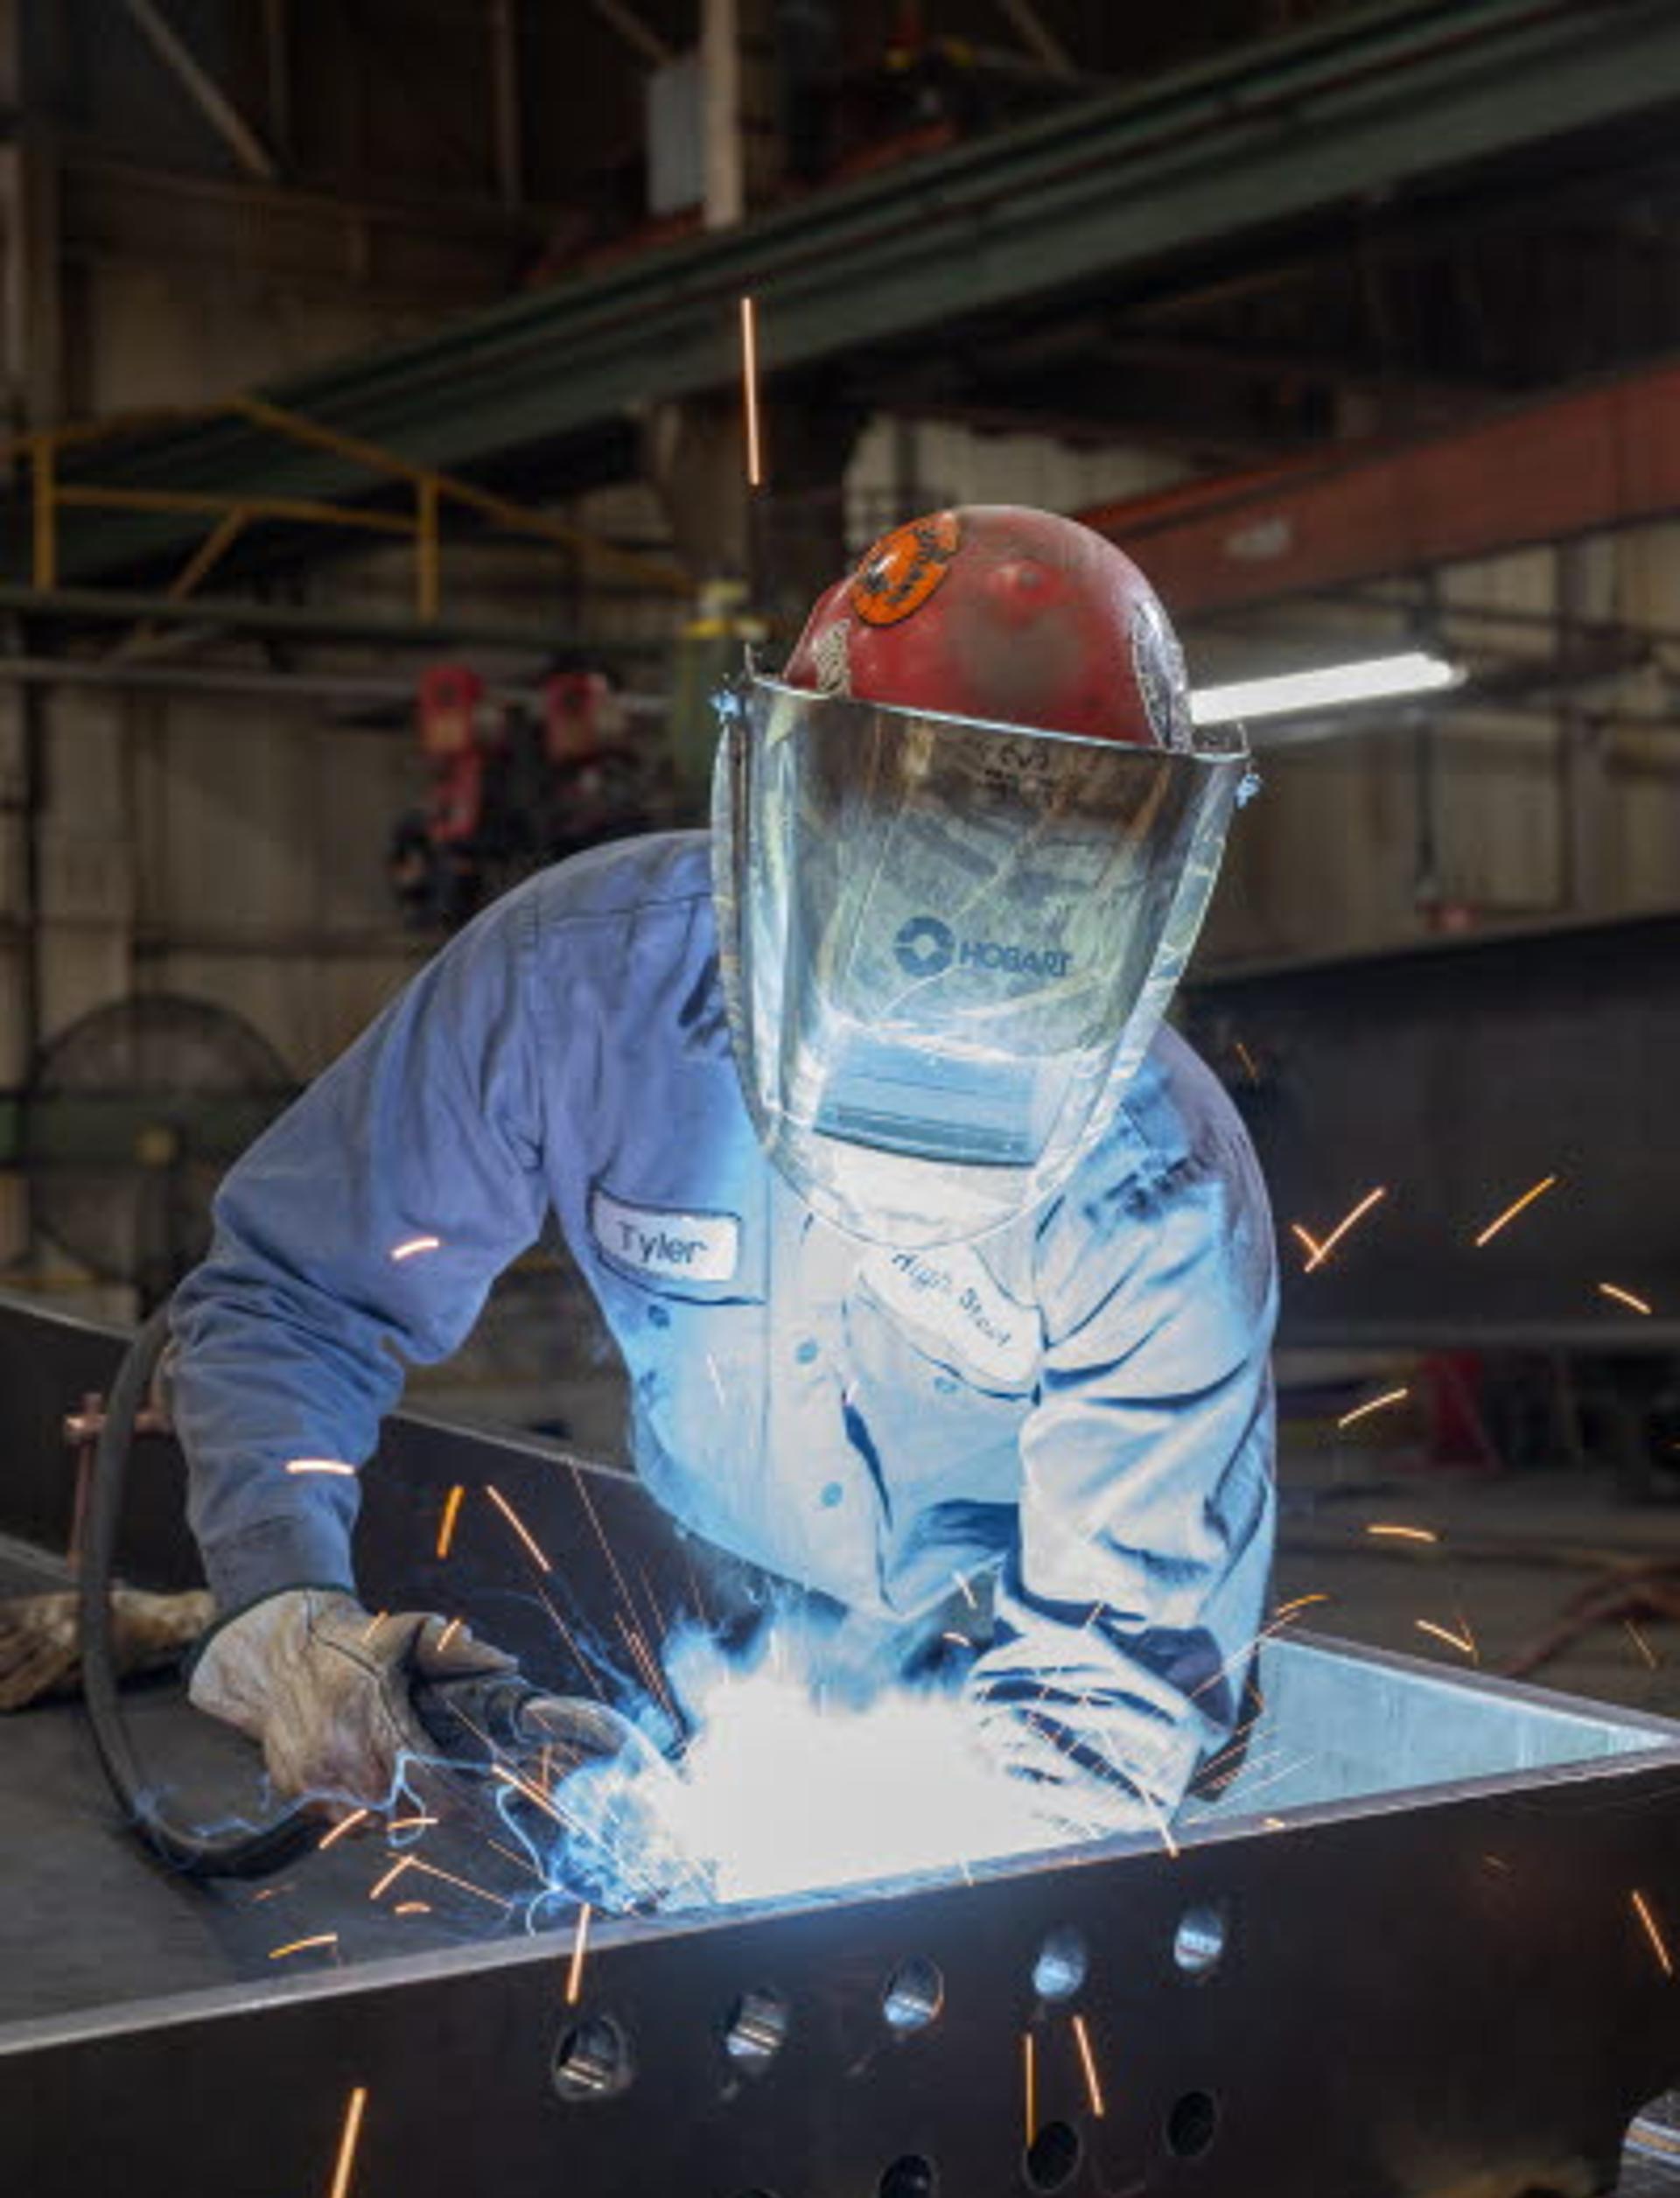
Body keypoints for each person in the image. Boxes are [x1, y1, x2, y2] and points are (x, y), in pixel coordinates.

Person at [164, 506, 1276, 1850]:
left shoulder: (1157, 1188)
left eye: (1036, 906)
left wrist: (965, 1847)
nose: (952, 982)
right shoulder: (578, 984)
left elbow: (1106, 1705)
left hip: (1007, 1657)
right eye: (918, 893)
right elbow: (294, 1295)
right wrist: (286, 1603)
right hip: (696, 1614)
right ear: (779, 811)